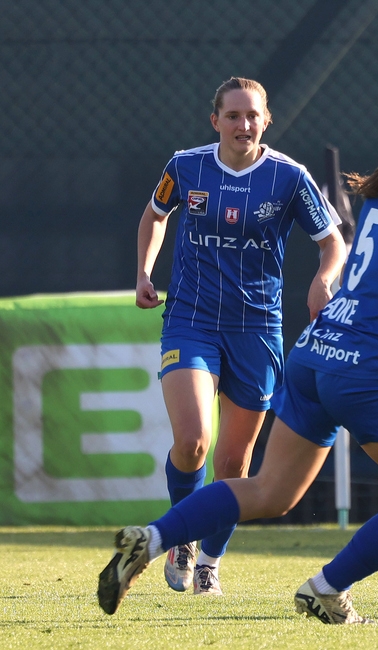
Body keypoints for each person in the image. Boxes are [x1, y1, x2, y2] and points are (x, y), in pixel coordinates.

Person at [99, 105, 378, 622]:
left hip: (314, 353)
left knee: (271, 491)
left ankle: (153, 537)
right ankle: (327, 588)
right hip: (363, 370)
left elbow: (372, 280)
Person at [135, 77, 348, 596]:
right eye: (233, 115)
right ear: (216, 121)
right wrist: (144, 271)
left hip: (258, 328)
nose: (243, 125)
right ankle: (181, 536)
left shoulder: (288, 176)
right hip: (191, 318)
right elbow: (155, 216)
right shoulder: (185, 165)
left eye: (252, 115)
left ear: (266, 120)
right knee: (193, 442)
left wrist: (324, 279)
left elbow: (333, 242)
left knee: (234, 463)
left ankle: (210, 559)